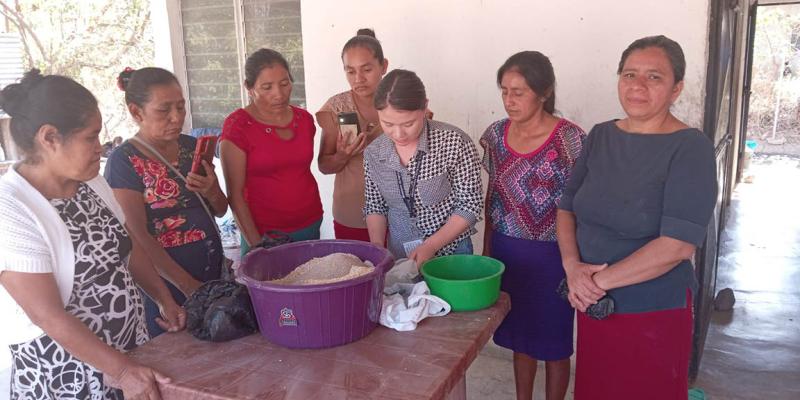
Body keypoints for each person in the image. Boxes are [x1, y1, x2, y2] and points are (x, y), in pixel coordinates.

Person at [0, 69, 184, 399]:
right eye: (90, 137)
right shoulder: (11, 208)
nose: (100, 147)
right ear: (50, 138)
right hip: (64, 376)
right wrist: (122, 370)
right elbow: (47, 314)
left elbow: (128, 248)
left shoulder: (91, 183)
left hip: (129, 356)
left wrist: (162, 297)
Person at [556, 35, 717, 399]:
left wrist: (596, 282)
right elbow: (566, 206)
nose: (638, 86)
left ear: (677, 88)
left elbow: (677, 245)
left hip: (652, 310)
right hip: (594, 305)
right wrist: (572, 267)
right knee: (598, 389)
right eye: (629, 74)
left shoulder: (690, 148)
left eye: (654, 77)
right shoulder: (601, 135)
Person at [481, 51, 585, 400]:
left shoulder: (570, 139)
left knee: (555, 343)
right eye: (504, 91)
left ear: (543, 92)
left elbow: (582, 204)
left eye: (519, 92)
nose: (509, 100)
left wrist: (577, 264)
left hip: (555, 256)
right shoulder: (495, 136)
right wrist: (487, 249)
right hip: (509, 253)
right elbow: (492, 194)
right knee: (520, 338)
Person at [105, 67, 228, 337]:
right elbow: (135, 236)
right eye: (164, 110)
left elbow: (220, 210)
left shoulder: (191, 147)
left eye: (181, 107)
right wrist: (187, 286)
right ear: (137, 112)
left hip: (210, 277)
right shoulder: (124, 161)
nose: (176, 118)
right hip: (167, 288)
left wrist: (211, 191)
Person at [363, 69, 482, 264]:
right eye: (388, 124)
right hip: (400, 255)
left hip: (451, 254)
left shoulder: (454, 142)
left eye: (408, 123)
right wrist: (377, 247)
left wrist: (431, 245)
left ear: (425, 107)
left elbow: (470, 205)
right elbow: (375, 206)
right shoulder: (374, 153)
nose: (398, 133)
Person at [220, 48, 323, 254]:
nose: (279, 94)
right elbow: (236, 195)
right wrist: (257, 246)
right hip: (263, 233)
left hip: (309, 223)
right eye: (267, 87)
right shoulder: (239, 126)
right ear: (249, 88)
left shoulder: (304, 120)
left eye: (285, 84)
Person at [316, 28, 388, 242]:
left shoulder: (401, 103)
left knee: (398, 273)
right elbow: (324, 165)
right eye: (350, 71)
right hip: (351, 213)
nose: (359, 79)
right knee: (355, 270)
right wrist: (343, 155)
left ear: (383, 66)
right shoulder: (336, 108)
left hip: (398, 212)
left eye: (367, 69)